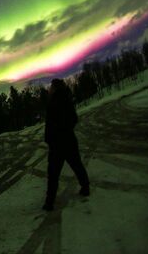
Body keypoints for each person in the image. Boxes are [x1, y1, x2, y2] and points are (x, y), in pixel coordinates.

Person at [43, 78, 90, 211]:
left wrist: (55, 135)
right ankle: (85, 188)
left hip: (59, 144)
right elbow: (73, 119)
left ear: (55, 88)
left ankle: (49, 202)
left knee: (53, 174)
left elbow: (55, 124)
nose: (49, 89)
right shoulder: (66, 99)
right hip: (68, 141)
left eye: (51, 87)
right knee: (76, 165)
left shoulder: (54, 102)